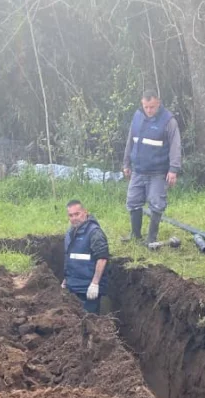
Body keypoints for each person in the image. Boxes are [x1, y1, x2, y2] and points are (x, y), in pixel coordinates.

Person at [122, 89, 181, 245]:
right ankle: (135, 235)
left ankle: (151, 238)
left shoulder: (169, 121)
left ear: (158, 103)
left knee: (156, 204)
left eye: (152, 107)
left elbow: (176, 146)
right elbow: (130, 141)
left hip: (158, 172)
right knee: (133, 202)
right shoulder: (137, 116)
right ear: (142, 104)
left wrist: (173, 169)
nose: (149, 110)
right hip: (138, 170)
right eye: (146, 107)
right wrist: (126, 163)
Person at [61, 200, 109, 314]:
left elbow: (102, 258)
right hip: (73, 287)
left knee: (89, 322)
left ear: (85, 212)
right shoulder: (70, 233)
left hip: (88, 291)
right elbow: (70, 258)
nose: (74, 218)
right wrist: (66, 280)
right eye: (71, 215)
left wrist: (95, 283)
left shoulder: (94, 233)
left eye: (77, 214)